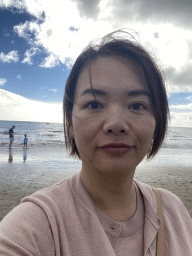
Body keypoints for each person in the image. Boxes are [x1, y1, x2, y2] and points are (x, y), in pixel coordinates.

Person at [0, 30, 192, 255]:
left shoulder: (173, 210)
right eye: (94, 104)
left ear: (156, 122)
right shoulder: (34, 226)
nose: (116, 123)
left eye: (137, 105)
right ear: (70, 124)